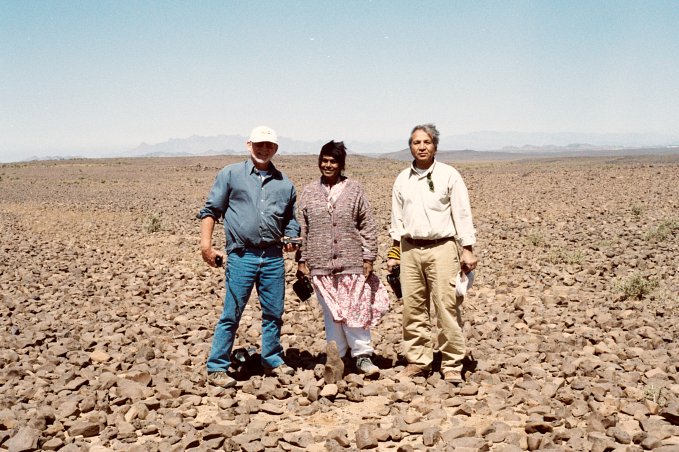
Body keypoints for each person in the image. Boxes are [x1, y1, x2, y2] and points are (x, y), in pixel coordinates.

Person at [197, 125, 301, 388]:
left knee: (274, 312)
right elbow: (211, 210)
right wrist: (206, 246)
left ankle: (272, 359)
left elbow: (291, 220)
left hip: (273, 257)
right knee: (232, 312)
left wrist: (290, 238)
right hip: (241, 256)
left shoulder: (285, 184)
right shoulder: (231, 174)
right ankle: (217, 365)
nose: (263, 149)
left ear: (276, 148)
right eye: (259, 144)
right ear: (248, 145)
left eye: (269, 145)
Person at [387, 123, 478, 385]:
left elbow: (462, 212)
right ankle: (419, 360)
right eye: (417, 143)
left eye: (426, 142)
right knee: (413, 307)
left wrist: (467, 248)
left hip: (442, 248)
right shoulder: (402, 179)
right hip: (410, 249)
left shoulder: (450, 175)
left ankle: (451, 364)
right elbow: (397, 218)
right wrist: (395, 252)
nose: (422, 147)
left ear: (435, 145)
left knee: (447, 306)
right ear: (410, 147)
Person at [296, 140, 390, 376]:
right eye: (324, 160)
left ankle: (362, 355)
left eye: (333, 161)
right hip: (320, 265)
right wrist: (301, 260)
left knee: (355, 308)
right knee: (332, 312)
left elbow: (367, 224)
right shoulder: (308, 192)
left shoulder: (355, 190)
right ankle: (337, 355)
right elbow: (302, 229)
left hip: (352, 262)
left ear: (341, 164)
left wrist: (368, 257)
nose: (328, 165)